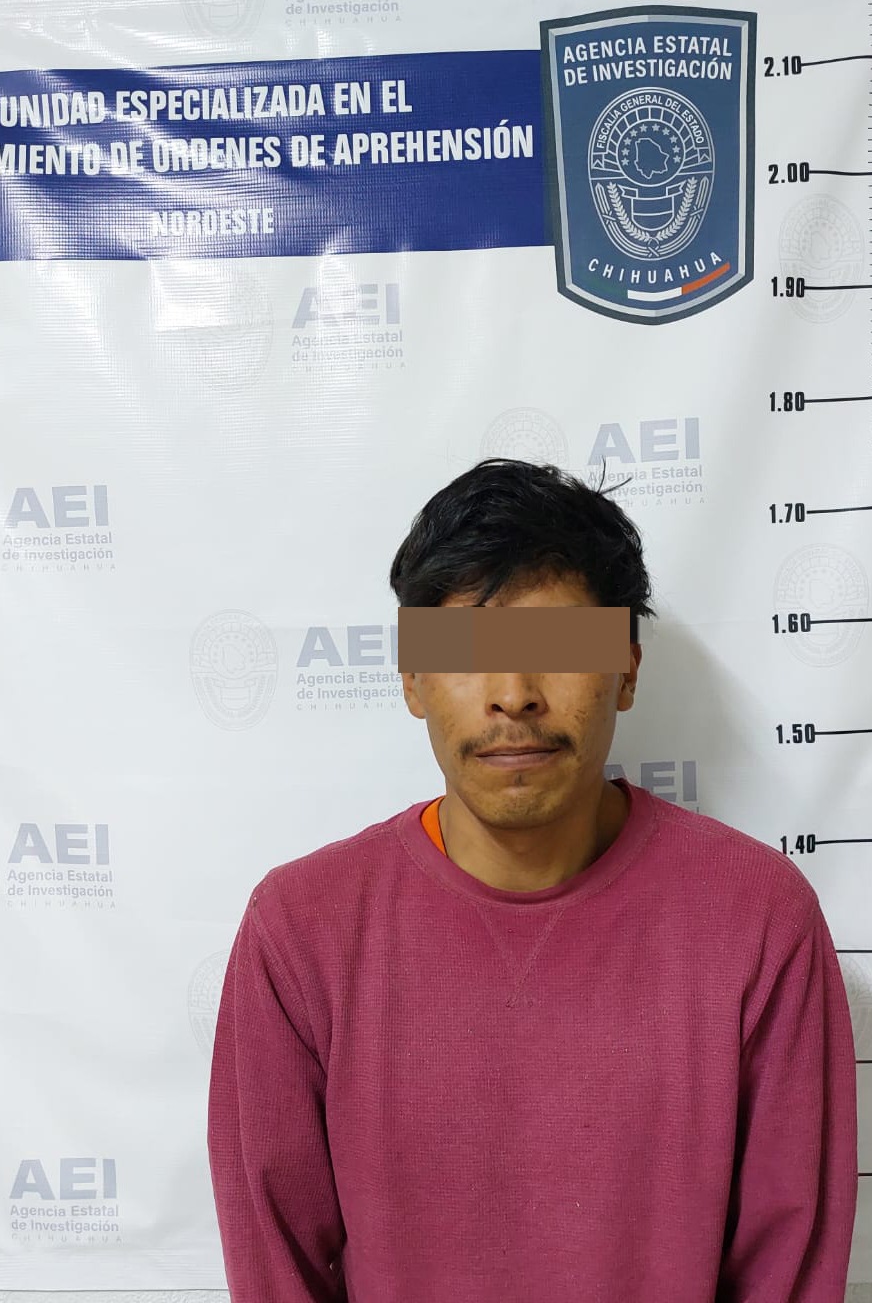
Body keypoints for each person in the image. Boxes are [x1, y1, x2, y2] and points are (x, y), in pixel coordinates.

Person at [208, 458, 858, 1302]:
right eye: (468, 653)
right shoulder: (300, 932)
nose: (513, 695)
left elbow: (790, 1268)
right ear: (412, 678)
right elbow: (275, 1267)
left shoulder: (759, 920)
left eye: (556, 648)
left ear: (627, 669)